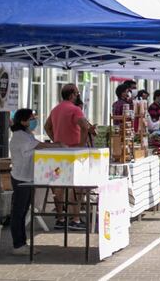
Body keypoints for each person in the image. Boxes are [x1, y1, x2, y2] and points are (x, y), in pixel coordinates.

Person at [9, 108, 62, 255]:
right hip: (21, 178)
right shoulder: (20, 136)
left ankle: (22, 244)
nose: (34, 121)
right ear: (23, 121)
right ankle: (18, 245)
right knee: (19, 212)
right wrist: (58, 145)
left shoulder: (27, 134)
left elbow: (38, 145)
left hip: (27, 177)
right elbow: (40, 145)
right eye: (31, 118)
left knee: (23, 210)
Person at [43, 83, 94, 230]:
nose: (78, 96)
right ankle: (75, 219)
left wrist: (56, 141)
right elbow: (84, 126)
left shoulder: (56, 109)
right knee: (77, 187)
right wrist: (81, 145)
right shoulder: (75, 109)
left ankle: (60, 218)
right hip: (74, 154)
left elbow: (47, 127)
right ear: (72, 95)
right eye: (77, 93)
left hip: (59, 153)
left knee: (57, 186)